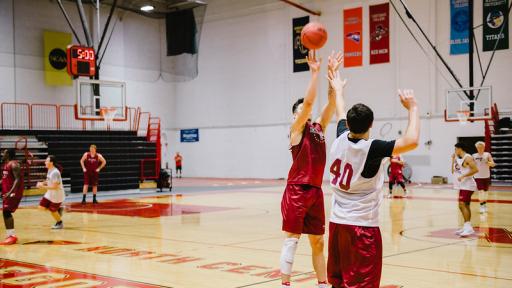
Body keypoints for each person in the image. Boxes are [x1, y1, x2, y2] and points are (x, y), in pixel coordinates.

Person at [327, 86, 420, 288]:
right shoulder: (372, 148)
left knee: (339, 282)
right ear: (371, 124)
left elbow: (340, 110)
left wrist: (337, 89)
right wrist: (412, 107)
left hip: (336, 225)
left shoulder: (340, 136)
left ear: (348, 124)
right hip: (361, 228)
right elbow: (412, 141)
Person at [279, 50, 342, 288]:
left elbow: (332, 102)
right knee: (292, 240)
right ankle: (285, 284)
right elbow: (307, 104)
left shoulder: (318, 128)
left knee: (318, 242)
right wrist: (314, 73)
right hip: (296, 190)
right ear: (294, 115)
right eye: (298, 112)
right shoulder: (296, 129)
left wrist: (331, 75)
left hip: (315, 191)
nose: (303, 113)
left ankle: (322, 283)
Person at [452, 142, 479, 236]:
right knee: (463, 205)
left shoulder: (468, 157)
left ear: (460, 149)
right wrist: (452, 160)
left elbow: (475, 170)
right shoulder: (459, 159)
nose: (455, 151)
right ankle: (467, 226)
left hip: (468, 185)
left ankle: (468, 228)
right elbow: (453, 171)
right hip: (462, 185)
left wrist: (463, 176)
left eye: (455, 149)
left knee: (462, 204)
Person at [0, 149, 24, 245]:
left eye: (4, 153)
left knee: (6, 212)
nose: (2, 154)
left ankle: (12, 236)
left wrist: (10, 192)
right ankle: (10, 235)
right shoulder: (6, 165)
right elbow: (6, 179)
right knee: (5, 212)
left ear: (8, 154)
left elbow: (17, 179)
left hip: (13, 193)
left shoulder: (14, 164)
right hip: (7, 192)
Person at [37, 155, 65, 229]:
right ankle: (58, 209)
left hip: (57, 194)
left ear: (51, 163)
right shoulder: (50, 169)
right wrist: (42, 183)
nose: (45, 162)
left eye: (46, 161)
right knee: (41, 207)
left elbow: (55, 187)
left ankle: (60, 223)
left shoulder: (55, 172)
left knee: (52, 211)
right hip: (50, 193)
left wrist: (42, 187)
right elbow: (48, 180)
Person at [472, 141, 496, 213]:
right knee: (481, 191)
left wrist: (488, 162)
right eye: (478, 147)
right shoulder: (474, 155)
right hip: (478, 176)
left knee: (485, 192)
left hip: (486, 176)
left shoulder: (487, 154)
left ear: (484, 147)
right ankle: (481, 206)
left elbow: (493, 164)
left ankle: (484, 205)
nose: (480, 149)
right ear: (476, 148)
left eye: (481, 147)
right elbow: (471, 165)